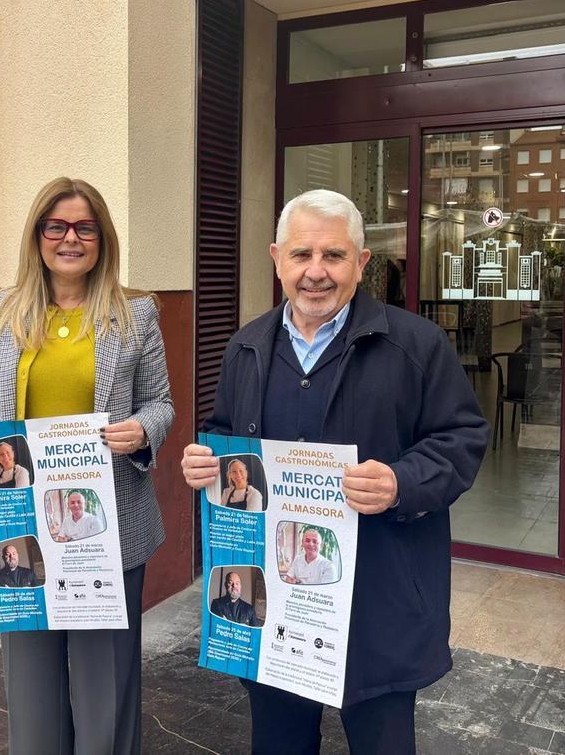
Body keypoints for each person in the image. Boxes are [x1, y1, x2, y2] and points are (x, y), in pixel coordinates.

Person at [182, 189, 487, 755]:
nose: (315, 273)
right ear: (276, 258)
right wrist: (205, 462)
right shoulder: (245, 347)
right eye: (301, 255)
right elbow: (224, 430)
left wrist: (402, 481)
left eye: (333, 256)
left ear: (362, 262)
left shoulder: (415, 344)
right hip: (275, 601)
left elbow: (462, 438)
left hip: (379, 596)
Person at [0, 177, 174, 755]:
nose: (70, 238)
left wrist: (143, 430)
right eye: (57, 226)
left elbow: (161, 402)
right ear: (38, 236)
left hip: (109, 525)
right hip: (21, 521)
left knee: (106, 686)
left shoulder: (135, 314)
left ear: (102, 238)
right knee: (30, 682)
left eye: (84, 228)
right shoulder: (2, 310)